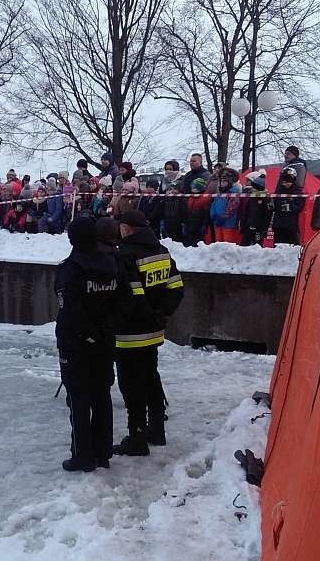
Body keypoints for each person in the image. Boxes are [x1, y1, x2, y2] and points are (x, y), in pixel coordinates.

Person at [112, 210, 184, 456]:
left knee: (131, 386)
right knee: (151, 379)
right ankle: (156, 431)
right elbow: (176, 288)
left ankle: (137, 438)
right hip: (153, 332)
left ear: (128, 228)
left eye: (121, 226)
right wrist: (161, 315)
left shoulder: (125, 254)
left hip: (130, 334)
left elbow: (133, 294)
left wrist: (145, 317)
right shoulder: (162, 252)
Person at [55, 217, 120, 472]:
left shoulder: (70, 268)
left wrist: (87, 334)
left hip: (76, 344)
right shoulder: (113, 264)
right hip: (105, 341)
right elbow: (121, 300)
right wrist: (104, 331)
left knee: (79, 399)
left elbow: (70, 309)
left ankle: (83, 455)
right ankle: (103, 451)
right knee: (101, 396)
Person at [273, 167, 305, 245]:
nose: (286, 183)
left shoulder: (297, 192)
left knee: (292, 247)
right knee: (278, 246)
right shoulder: (278, 191)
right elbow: (274, 205)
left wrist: (290, 207)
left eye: (288, 181)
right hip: (278, 224)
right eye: (284, 181)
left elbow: (300, 207)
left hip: (291, 225)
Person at [239, 173, 273, 247]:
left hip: (259, 228)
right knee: (243, 246)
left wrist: (265, 229)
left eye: (254, 187)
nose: (252, 189)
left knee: (257, 247)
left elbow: (268, 215)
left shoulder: (266, 198)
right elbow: (246, 212)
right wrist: (243, 225)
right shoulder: (252, 197)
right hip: (248, 226)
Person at [209, 171, 242, 243]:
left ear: (229, 182)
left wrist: (223, 218)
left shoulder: (233, 193)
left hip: (229, 224)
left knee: (228, 244)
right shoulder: (219, 193)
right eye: (221, 181)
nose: (222, 183)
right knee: (218, 243)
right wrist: (213, 215)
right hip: (217, 222)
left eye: (224, 181)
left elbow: (232, 208)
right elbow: (213, 204)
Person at [182, 177, 210, 247]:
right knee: (189, 241)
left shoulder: (205, 198)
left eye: (194, 187)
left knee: (198, 242)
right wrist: (185, 222)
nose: (192, 188)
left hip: (199, 224)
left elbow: (207, 214)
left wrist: (204, 225)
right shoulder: (191, 197)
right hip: (190, 223)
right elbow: (187, 211)